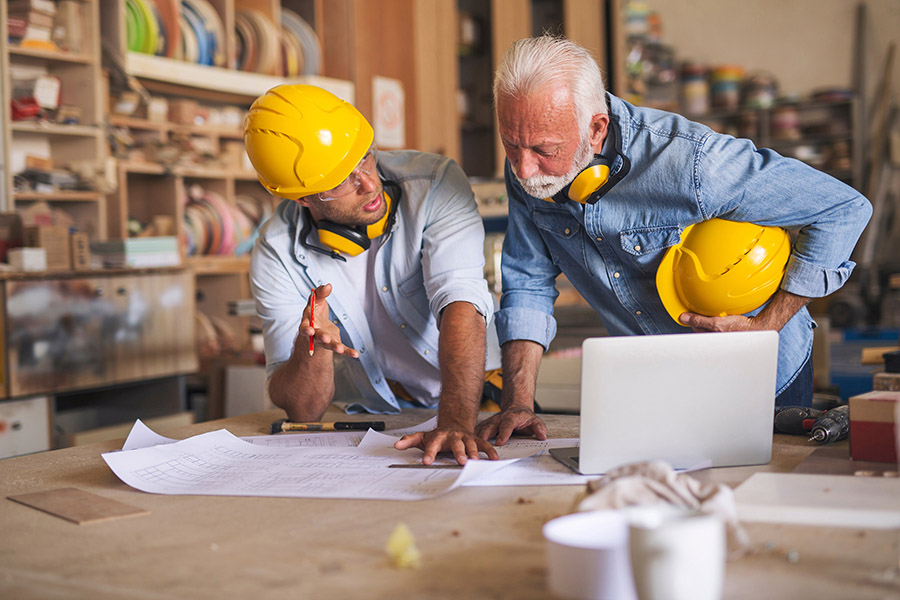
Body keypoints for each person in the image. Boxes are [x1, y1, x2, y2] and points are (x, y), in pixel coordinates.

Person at [476, 35, 872, 445]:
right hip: (656, 381)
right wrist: (518, 403)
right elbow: (526, 283)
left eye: (544, 149)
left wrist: (765, 328)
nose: (524, 169)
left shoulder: (693, 163)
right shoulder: (529, 170)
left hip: (758, 372)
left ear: (596, 130)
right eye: (511, 144)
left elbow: (843, 210)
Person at [244, 84, 501, 465]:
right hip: (381, 415)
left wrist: (456, 420)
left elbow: (460, 298)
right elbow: (303, 413)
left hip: (478, 399)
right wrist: (310, 350)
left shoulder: (436, 184)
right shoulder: (275, 250)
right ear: (303, 198)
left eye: (364, 158)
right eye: (339, 180)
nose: (368, 183)